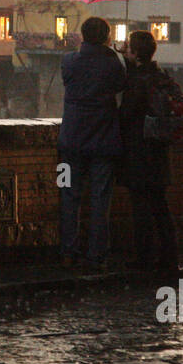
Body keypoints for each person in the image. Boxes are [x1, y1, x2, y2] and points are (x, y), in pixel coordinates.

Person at [57, 16, 126, 269]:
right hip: (103, 141)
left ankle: (68, 252)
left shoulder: (68, 61)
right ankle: (97, 255)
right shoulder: (113, 64)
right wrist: (114, 52)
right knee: (100, 199)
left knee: (68, 196)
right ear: (107, 36)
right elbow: (121, 85)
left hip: (71, 142)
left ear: (83, 36)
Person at [118, 30, 179, 276]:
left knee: (141, 208)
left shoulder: (137, 81)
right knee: (160, 206)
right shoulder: (161, 76)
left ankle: (144, 258)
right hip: (160, 150)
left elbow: (126, 114)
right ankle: (169, 257)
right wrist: (129, 61)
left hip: (139, 152)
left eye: (129, 48)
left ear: (135, 53)